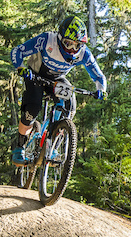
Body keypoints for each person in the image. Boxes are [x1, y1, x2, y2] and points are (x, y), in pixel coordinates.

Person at [9, 16, 107, 165]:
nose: (72, 49)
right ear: (60, 38)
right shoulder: (47, 39)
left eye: (77, 45)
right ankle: (20, 147)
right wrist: (20, 68)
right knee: (33, 108)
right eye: (68, 43)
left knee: (70, 107)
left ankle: (53, 143)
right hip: (35, 74)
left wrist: (101, 90)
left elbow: (98, 76)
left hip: (56, 79)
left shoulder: (84, 53)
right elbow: (18, 51)